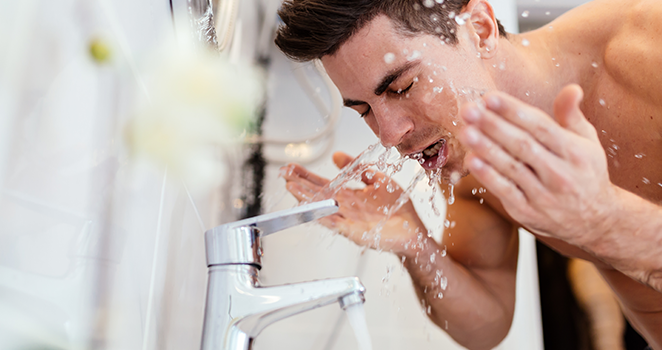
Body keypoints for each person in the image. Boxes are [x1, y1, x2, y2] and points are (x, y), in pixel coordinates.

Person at [274, 0, 662, 348]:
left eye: (402, 87)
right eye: (365, 111)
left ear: (479, 28)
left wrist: (607, 221)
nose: (389, 134)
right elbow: (487, 325)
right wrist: (416, 245)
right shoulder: (471, 157)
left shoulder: (648, 47)